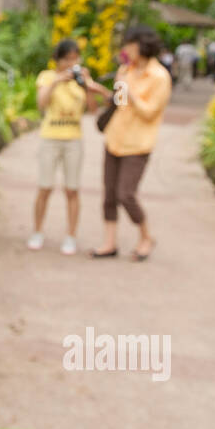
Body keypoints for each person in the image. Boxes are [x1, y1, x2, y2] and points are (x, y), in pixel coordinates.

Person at [92, 25, 172, 261]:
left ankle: (146, 237)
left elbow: (150, 112)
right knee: (109, 194)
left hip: (138, 143)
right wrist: (104, 90)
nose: (126, 49)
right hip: (114, 138)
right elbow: (118, 101)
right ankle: (109, 242)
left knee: (126, 194)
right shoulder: (126, 69)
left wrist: (131, 94)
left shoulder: (159, 77)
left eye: (129, 44)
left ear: (141, 46)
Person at [29, 39, 112, 255]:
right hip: (50, 137)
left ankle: (71, 236)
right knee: (44, 187)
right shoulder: (47, 77)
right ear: (58, 59)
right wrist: (58, 81)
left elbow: (93, 110)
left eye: (75, 59)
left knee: (72, 189)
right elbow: (41, 103)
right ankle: (37, 231)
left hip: (74, 139)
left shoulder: (82, 80)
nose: (71, 63)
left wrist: (87, 86)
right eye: (67, 59)